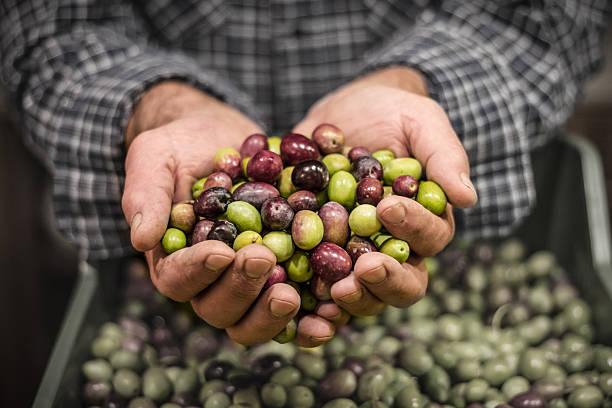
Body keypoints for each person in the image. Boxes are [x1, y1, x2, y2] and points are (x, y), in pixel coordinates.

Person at [0, 0, 609, 347]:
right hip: (123, 185)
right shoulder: (274, 200)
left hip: (423, 152)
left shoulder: (344, 198)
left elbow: (558, 14)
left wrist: (410, 83)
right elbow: (41, 24)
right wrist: (156, 107)